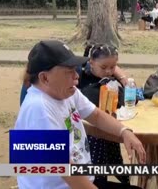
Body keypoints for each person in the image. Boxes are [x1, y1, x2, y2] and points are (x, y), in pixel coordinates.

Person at [15, 40, 146, 189]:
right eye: (69, 72)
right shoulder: (37, 108)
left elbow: (95, 114)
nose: (76, 77)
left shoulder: (67, 92)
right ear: (45, 78)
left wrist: (124, 131)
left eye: (75, 70)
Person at [78, 44, 131, 186]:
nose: (108, 71)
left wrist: (125, 81)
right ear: (91, 63)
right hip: (89, 134)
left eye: (112, 67)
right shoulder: (79, 80)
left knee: (114, 156)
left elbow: (131, 97)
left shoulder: (113, 79)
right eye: (103, 67)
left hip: (107, 127)